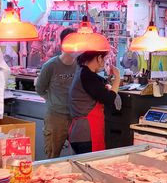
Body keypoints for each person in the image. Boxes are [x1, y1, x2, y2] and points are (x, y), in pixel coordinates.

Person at [35, 28, 77, 159]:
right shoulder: (51, 65)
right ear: (62, 44)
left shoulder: (81, 66)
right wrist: (54, 101)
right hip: (55, 118)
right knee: (53, 156)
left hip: (76, 118)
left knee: (78, 157)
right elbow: (40, 89)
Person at [69, 50, 121, 154]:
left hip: (79, 133)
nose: (104, 63)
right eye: (104, 59)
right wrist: (117, 77)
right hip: (87, 135)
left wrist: (107, 85)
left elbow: (98, 83)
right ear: (98, 58)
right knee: (89, 167)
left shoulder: (83, 72)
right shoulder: (87, 76)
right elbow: (108, 99)